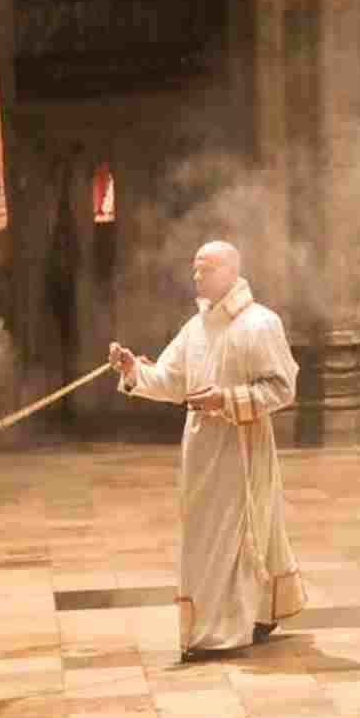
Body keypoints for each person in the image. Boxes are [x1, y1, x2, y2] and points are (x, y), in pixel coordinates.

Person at [109, 241, 305, 659]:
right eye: (195, 270)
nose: (197, 278)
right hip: (201, 447)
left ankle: (221, 632)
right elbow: (169, 379)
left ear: (232, 271)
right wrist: (133, 370)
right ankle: (258, 612)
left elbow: (282, 388)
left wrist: (226, 400)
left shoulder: (260, 323)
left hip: (242, 444)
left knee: (234, 532)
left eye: (207, 270)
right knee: (208, 535)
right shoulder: (195, 327)